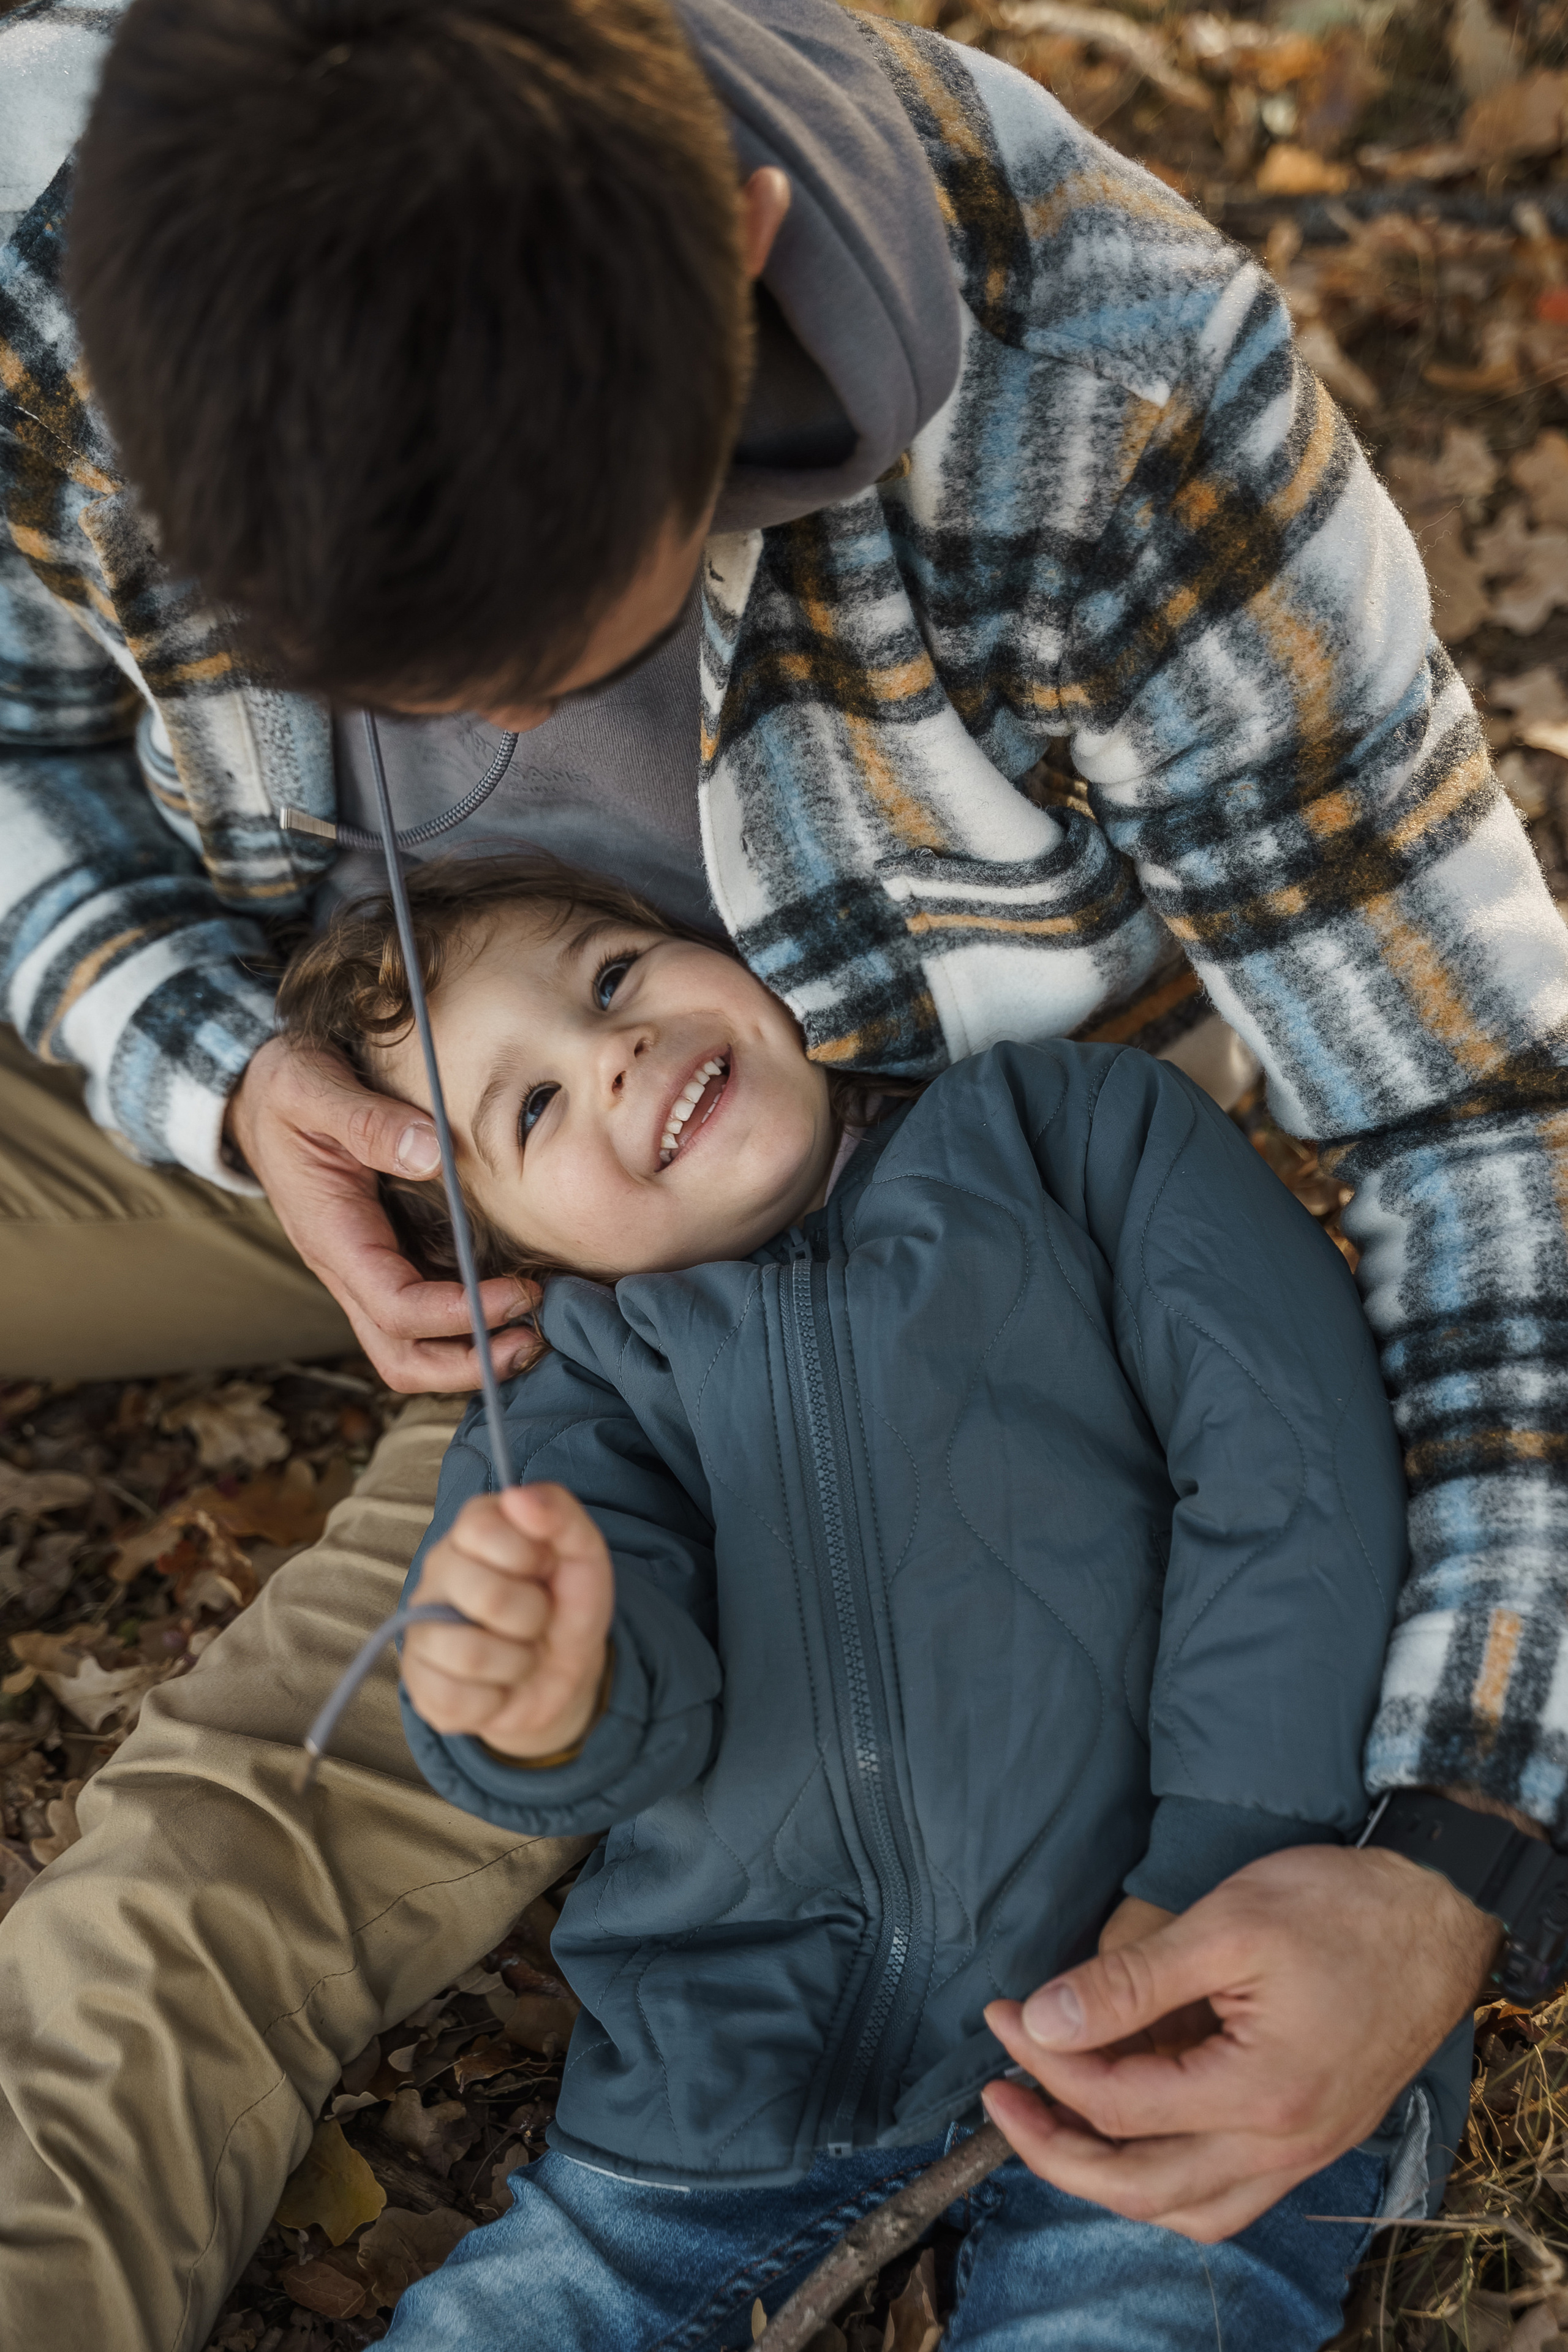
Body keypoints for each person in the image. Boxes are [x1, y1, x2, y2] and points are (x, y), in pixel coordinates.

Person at [0, 0, 1551, 2339]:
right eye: (357, 664)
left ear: (734, 261)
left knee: (241, 1848)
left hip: (810, 1216)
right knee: (253, 1840)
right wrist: (209, 1061)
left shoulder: (1110, 400)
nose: (466, 734)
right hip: (365, 1136)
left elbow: (1479, 1129)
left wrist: (1445, 1850)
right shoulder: (56, 241)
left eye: (536, 628)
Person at [273, 846, 1466, 2349]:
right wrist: (538, 1699)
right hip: (721, 2086)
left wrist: (1223, 1862)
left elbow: (1290, 1483)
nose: (611, 1049)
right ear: (510, 1259)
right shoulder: (577, 1391)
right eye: (531, 1109)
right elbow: (617, 1690)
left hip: (1183, 1995)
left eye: (611, 975)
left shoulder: (1071, 1133)